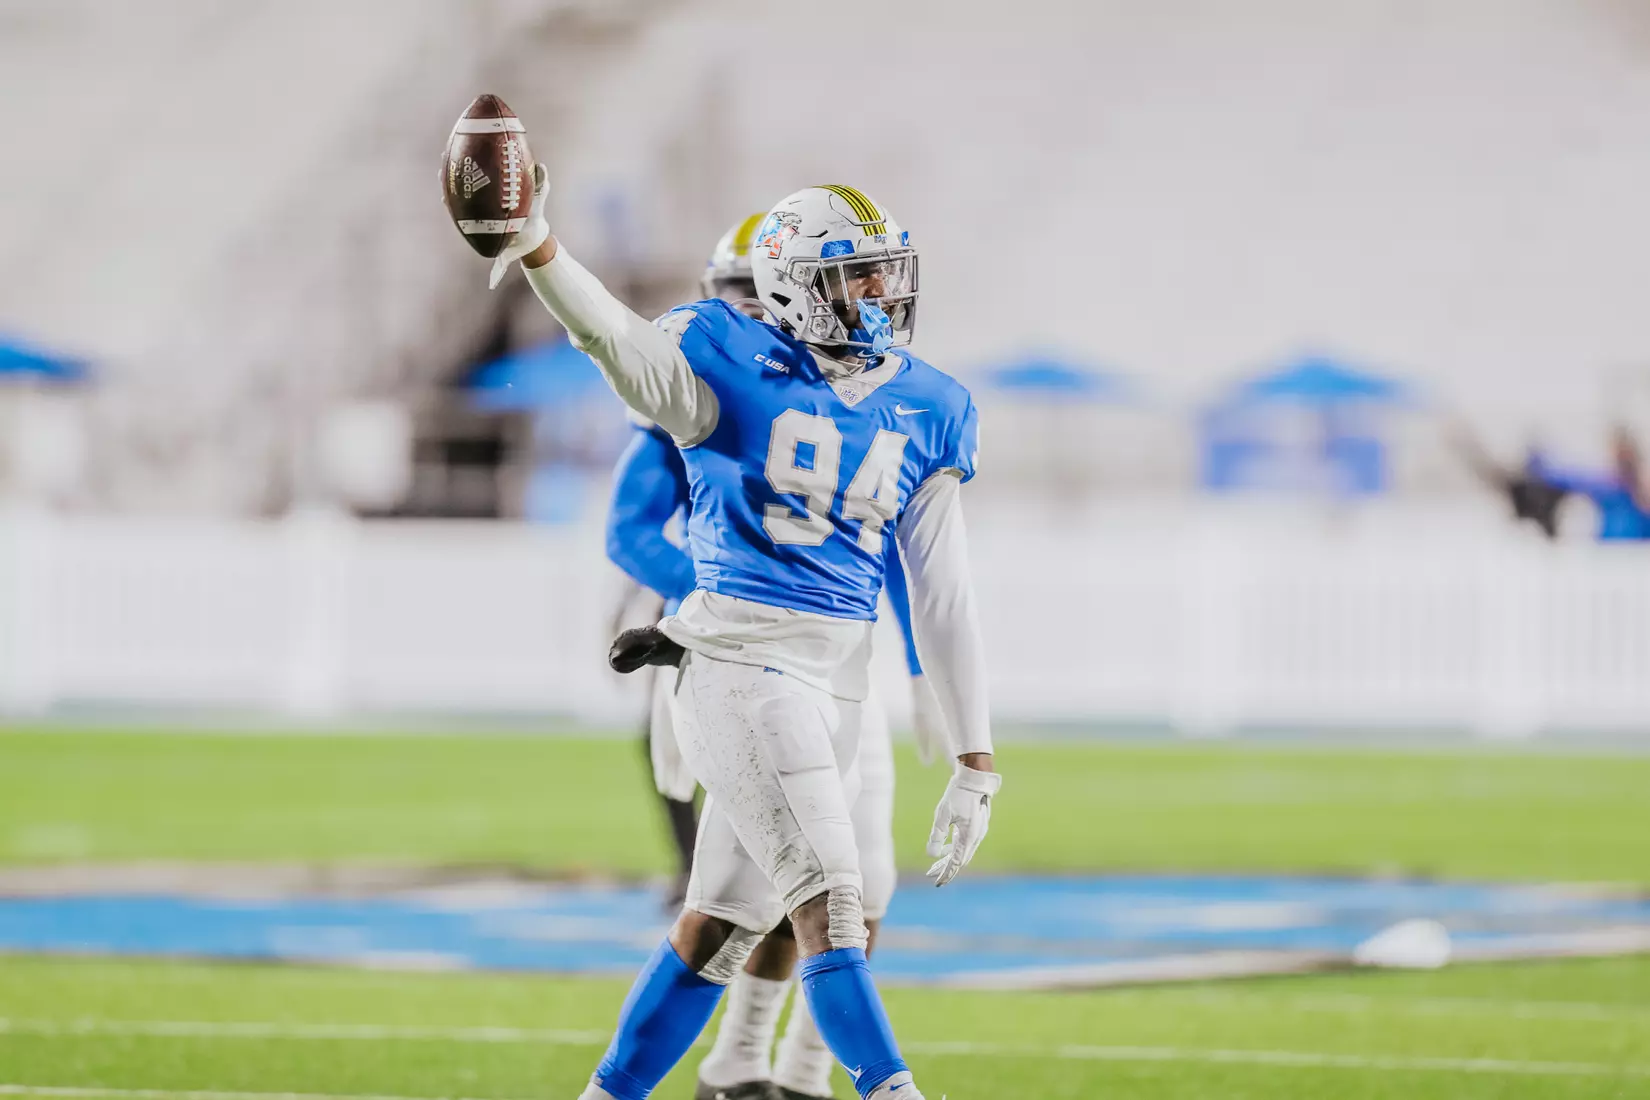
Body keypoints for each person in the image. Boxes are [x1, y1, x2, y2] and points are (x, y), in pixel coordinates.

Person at [491, 173, 999, 1100]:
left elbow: (943, 593)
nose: (881, 296)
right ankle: (889, 1089)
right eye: (855, 280)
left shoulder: (929, 401)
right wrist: (539, 249)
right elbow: (610, 335)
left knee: (717, 928)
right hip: (740, 664)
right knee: (831, 904)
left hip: (840, 679)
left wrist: (977, 756)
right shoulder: (722, 359)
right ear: (796, 290)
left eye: (885, 275)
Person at [604, 213, 948, 1100]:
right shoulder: (705, 387)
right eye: (737, 296)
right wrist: (709, 601)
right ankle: (759, 1064)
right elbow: (630, 530)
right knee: (774, 881)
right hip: (719, 648)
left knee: (851, 881)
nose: (755, 314)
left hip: (833, 658)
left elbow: (898, 551)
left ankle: (782, 1071)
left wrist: (921, 665)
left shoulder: (851, 397)